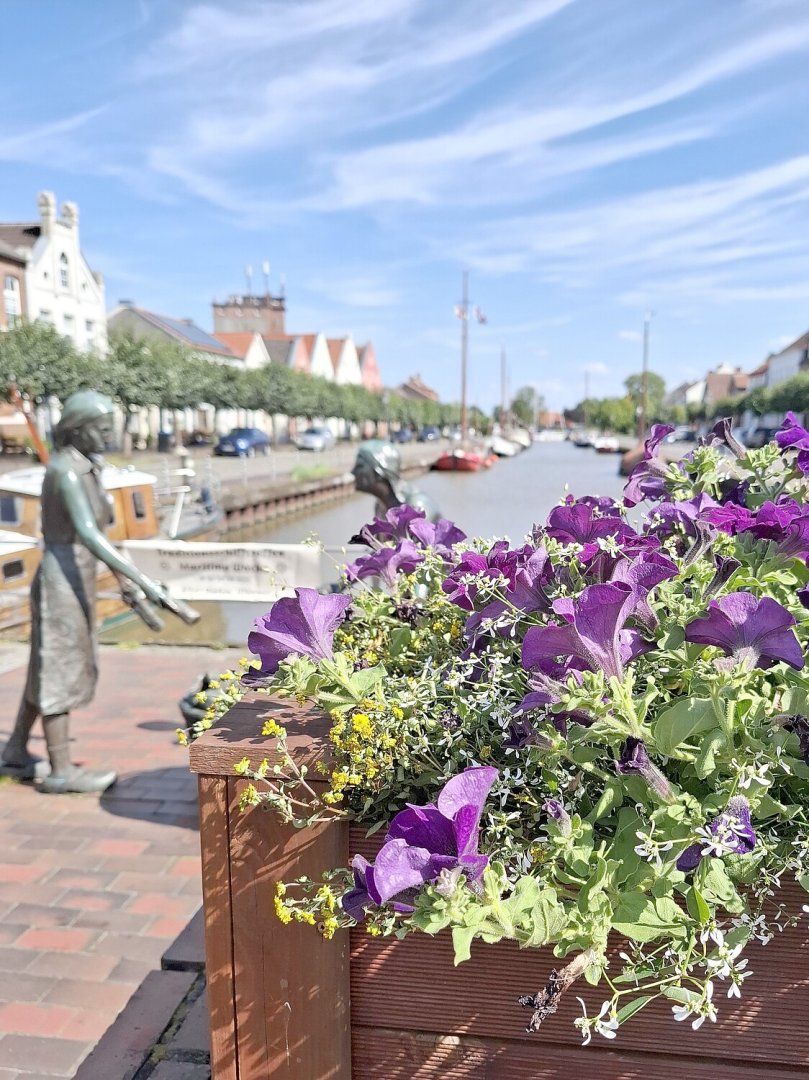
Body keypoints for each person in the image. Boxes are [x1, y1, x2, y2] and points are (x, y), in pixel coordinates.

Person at [1, 391, 176, 794]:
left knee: (45, 666)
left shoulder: (87, 468)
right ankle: (61, 770)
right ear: (78, 431)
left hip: (78, 574)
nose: (107, 437)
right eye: (101, 430)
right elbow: (89, 533)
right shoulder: (64, 470)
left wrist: (124, 584)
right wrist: (146, 582)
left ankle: (14, 750)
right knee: (59, 668)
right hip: (61, 578)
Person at [351, 439, 440, 522]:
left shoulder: (417, 506)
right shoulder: (380, 505)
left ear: (379, 471)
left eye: (360, 466)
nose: (353, 472)